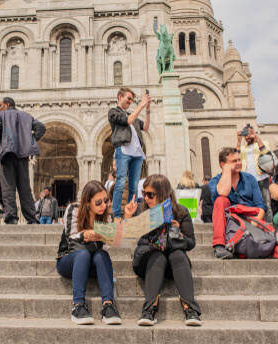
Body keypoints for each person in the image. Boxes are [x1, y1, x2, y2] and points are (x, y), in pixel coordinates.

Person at [209, 148, 278, 275]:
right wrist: (226, 172)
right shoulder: (215, 181)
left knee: (269, 237)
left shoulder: (250, 179)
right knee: (221, 200)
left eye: (239, 160)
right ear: (223, 164)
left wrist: (256, 223)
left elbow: (260, 205)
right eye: (234, 161)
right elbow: (222, 193)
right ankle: (219, 245)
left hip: (252, 218)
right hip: (231, 220)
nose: (238, 163)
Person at [126, 174, 202, 327]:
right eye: (144, 193)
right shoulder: (144, 212)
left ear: (162, 194)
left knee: (178, 253)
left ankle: (190, 309)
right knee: (158, 254)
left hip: (174, 265)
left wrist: (178, 234)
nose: (146, 198)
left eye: (150, 194)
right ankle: (149, 309)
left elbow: (191, 243)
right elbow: (133, 240)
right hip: (147, 260)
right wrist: (128, 219)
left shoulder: (181, 212)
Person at [56, 181, 121, 325]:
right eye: (98, 202)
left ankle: (108, 306)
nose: (103, 206)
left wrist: (108, 238)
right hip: (70, 259)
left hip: (93, 262)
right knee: (83, 254)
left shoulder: (106, 216)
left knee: (102, 255)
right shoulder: (73, 209)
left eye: (106, 201)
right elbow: (69, 238)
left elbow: (106, 249)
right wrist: (84, 235)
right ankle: (78, 306)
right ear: (87, 203)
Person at [0, 97, 46, 224]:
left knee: (8, 188)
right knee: (25, 189)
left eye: (0, 105)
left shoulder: (1, 114)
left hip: (8, 155)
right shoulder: (26, 116)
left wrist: (2, 139)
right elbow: (41, 127)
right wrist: (29, 142)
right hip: (23, 156)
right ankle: (32, 219)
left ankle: (12, 218)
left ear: (7, 104)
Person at [108, 87, 151, 220]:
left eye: (132, 99)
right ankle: (116, 214)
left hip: (137, 154)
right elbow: (127, 121)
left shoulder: (134, 117)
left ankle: (131, 214)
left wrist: (147, 109)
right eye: (129, 98)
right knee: (120, 182)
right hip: (124, 150)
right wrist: (141, 105)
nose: (130, 102)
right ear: (120, 97)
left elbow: (146, 127)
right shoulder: (114, 112)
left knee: (134, 186)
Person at [237, 125, 273, 223]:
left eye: (249, 134)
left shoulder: (263, 143)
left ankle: (269, 225)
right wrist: (239, 141)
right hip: (248, 180)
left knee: (266, 203)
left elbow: (265, 152)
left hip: (262, 178)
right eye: (245, 135)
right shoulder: (243, 148)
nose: (247, 137)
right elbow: (237, 156)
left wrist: (256, 137)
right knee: (249, 203)